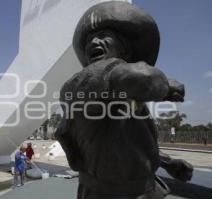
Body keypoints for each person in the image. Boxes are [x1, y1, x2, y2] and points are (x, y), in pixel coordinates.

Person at [55, 2, 193, 199]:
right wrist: (165, 86)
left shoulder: (126, 94)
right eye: (89, 41)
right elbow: (144, 79)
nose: (93, 43)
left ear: (126, 51)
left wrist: (167, 163)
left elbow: (129, 142)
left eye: (103, 37)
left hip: (148, 191)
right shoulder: (78, 86)